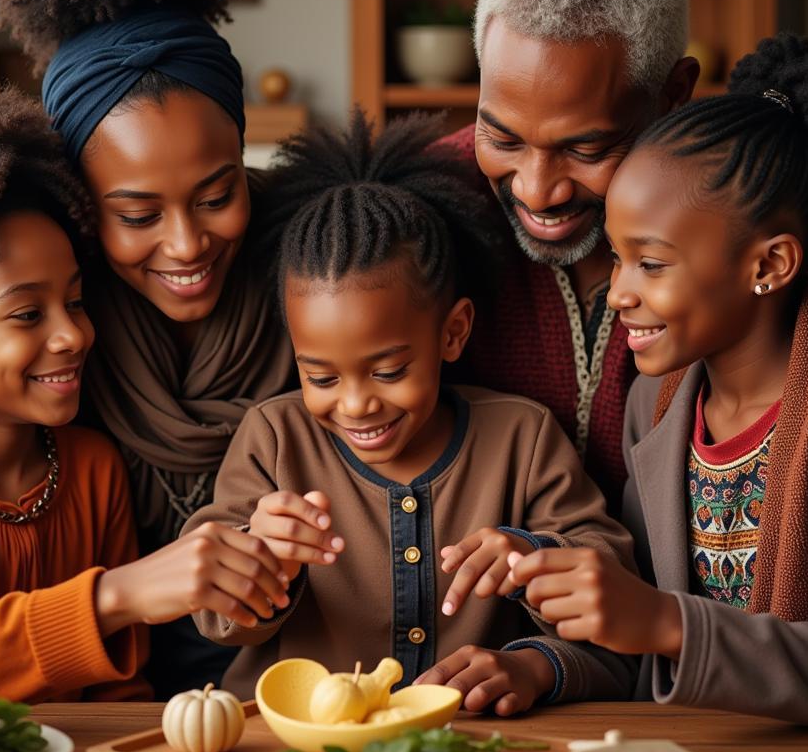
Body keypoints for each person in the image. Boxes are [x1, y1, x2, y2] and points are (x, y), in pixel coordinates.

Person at [0, 87, 289, 703]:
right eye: (26, 315)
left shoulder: (90, 468)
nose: (73, 334)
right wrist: (117, 594)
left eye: (75, 301)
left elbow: (119, 696)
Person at [184, 111, 635, 713]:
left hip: (476, 743)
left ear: (453, 334)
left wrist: (530, 589)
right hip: (295, 750)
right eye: (319, 375)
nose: (354, 403)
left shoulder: (520, 438)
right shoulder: (274, 437)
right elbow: (216, 614)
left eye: (388, 371)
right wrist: (260, 556)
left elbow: (610, 583)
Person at [439, 0, 808, 510]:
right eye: (502, 139)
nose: (535, 191)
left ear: (673, 93)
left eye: (585, 147)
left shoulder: (797, 217)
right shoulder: (423, 207)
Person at [0, 0, 295, 693]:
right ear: (84, 208)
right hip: (112, 710)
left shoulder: (316, 285)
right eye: (138, 215)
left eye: (218, 194)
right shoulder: (56, 342)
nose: (188, 244)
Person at [505, 34, 808, 723]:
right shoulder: (657, 402)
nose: (617, 293)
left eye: (653, 263)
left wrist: (669, 622)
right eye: (617, 256)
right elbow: (636, 633)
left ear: (769, 265)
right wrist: (534, 660)